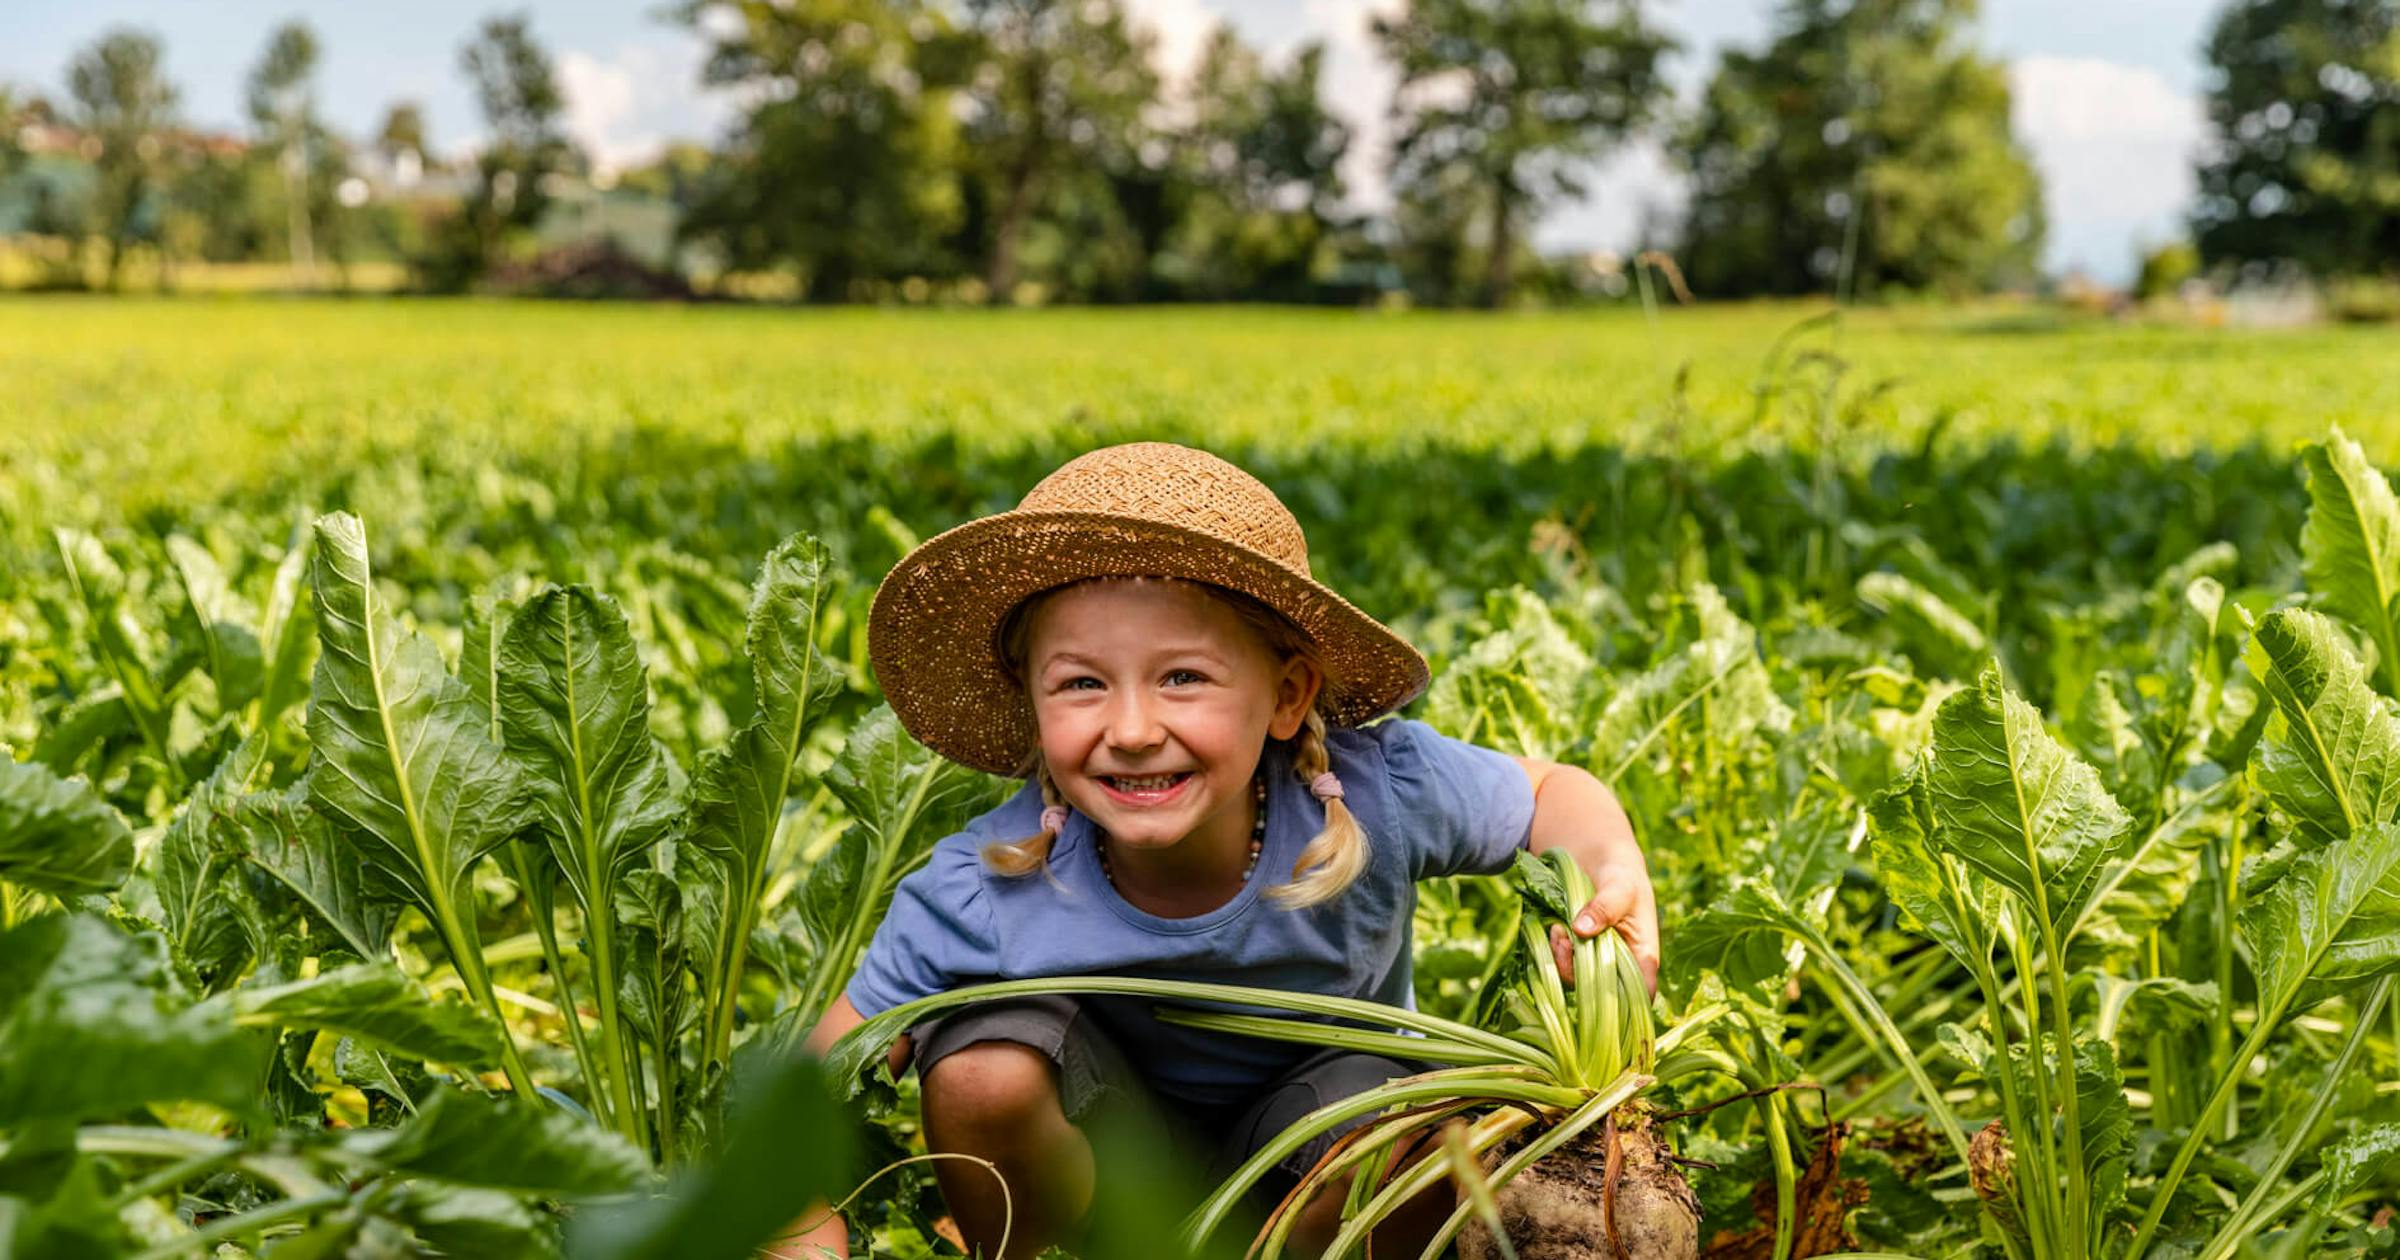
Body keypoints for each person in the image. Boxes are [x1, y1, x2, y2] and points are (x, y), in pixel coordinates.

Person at [771, 442, 1658, 1260]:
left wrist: (1613, 880)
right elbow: (804, 1104)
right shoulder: (985, 886)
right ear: (1031, 706)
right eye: (1081, 684)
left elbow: (1553, 794)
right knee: (980, 1073)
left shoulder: (1376, 794)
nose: (1130, 729)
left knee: (1409, 1144)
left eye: (1182, 678)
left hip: (1318, 1152)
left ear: (1286, 695)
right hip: (1098, 1185)